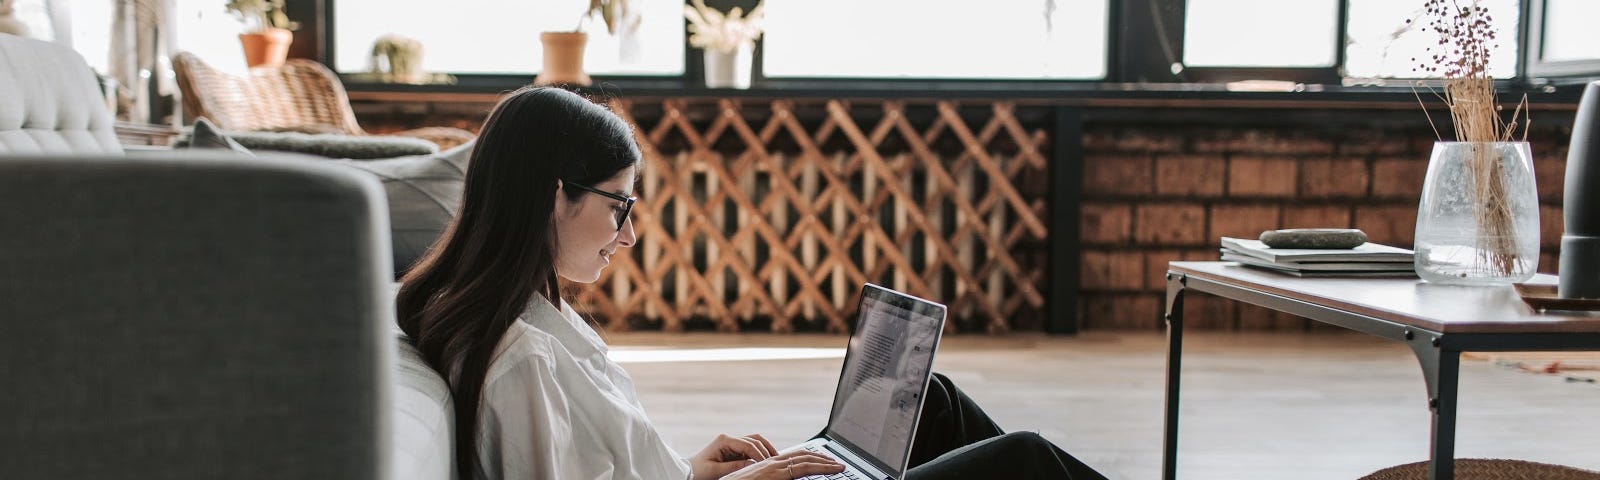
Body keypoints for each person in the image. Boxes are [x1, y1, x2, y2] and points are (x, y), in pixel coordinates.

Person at [396, 86, 1107, 480]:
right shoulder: (523, 360)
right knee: (1026, 460)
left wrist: (695, 470)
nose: (629, 236)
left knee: (933, 402)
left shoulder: (527, 315)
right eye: (619, 208)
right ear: (558, 197)